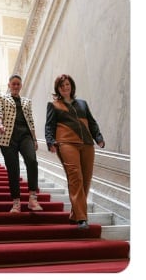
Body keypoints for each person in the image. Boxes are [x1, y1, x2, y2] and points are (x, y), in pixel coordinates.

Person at [45, 74, 105, 229]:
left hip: (86, 144)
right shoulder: (54, 105)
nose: (65, 87)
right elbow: (49, 126)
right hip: (66, 143)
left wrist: (98, 137)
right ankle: (82, 218)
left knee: (86, 179)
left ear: (71, 86)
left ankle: (75, 213)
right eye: (62, 85)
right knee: (75, 177)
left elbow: (92, 122)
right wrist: (50, 141)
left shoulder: (82, 104)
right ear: (57, 89)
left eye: (67, 84)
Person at [0, 75, 43, 213]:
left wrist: (34, 139)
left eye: (18, 84)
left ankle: (32, 199)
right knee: (13, 169)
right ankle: (16, 202)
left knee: (32, 161)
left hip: (25, 135)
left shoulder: (27, 101)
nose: (16, 86)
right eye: (13, 84)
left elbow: (31, 121)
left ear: (21, 86)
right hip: (8, 136)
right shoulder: (2, 98)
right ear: (9, 85)